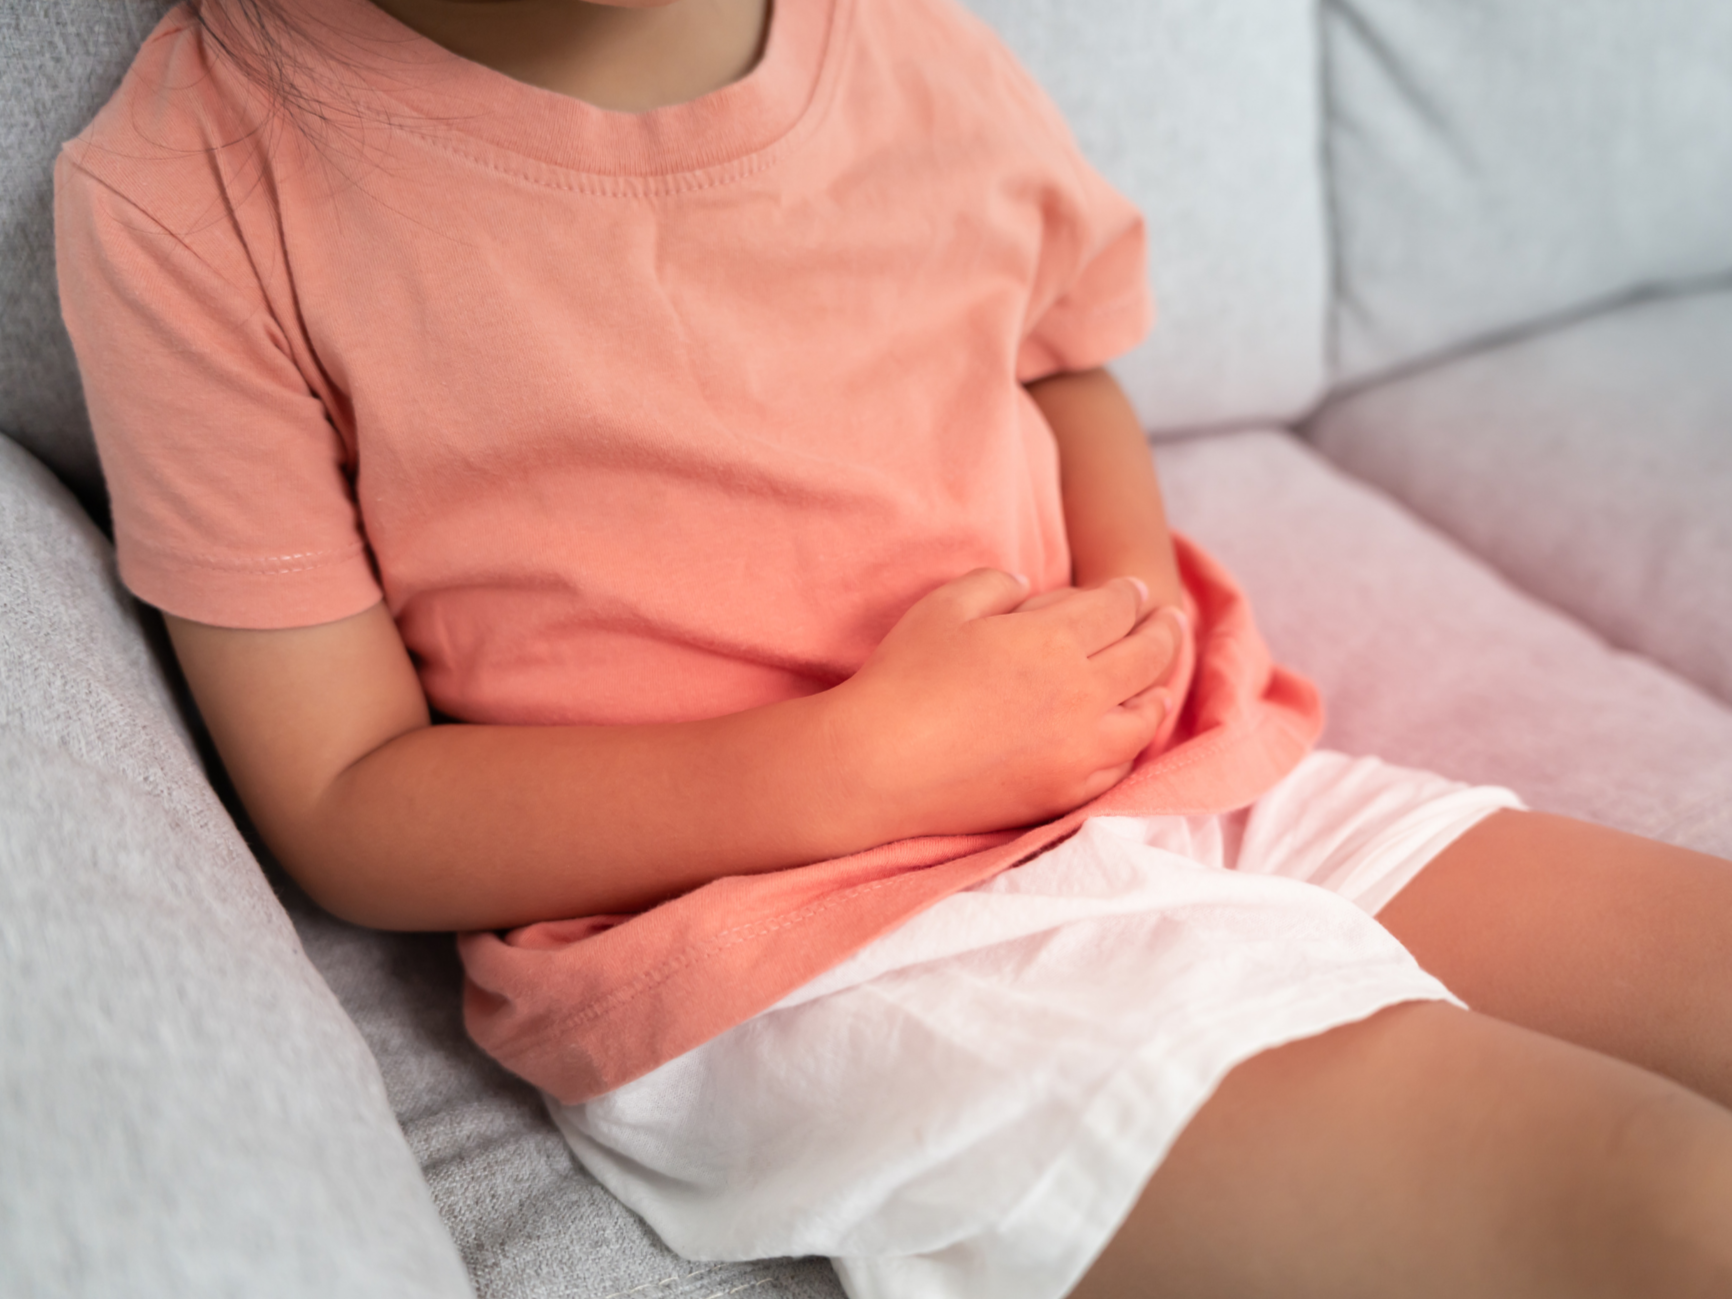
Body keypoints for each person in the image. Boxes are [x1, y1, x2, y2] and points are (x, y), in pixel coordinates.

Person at [53, 0, 1732, 1294]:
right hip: (799, 955)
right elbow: (347, 801)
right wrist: (860, 763)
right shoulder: (197, 190)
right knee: (1668, 1212)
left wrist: (1126, 624)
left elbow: (1062, 371)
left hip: (1156, 774)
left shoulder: (904, 39)